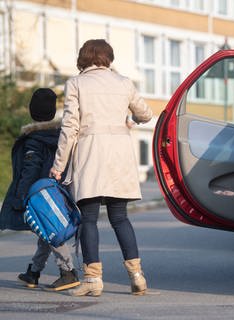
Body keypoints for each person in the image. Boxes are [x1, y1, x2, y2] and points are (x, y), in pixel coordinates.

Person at [49, 39, 153, 297]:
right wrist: (130, 121)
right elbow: (146, 114)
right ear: (108, 58)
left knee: (89, 219)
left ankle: (93, 279)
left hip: (90, 155)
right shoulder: (124, 82)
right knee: (120, 218)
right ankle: (137, 275)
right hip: (119, 156)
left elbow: (70, 127)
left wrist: (58, 165)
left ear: (84, 58)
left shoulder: (76, 84)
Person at [0, 88, 80, 291]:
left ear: (32, 111)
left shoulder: (35, 140)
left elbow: (30, 169)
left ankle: (68, 271)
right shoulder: (59, 136)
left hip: (38, 193)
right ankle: (33, 272)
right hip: (58, 190)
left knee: (50, 230)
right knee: (45, 231)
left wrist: (20, 196)